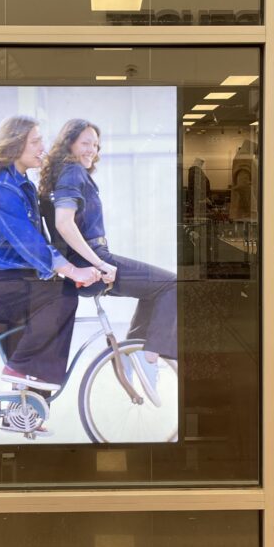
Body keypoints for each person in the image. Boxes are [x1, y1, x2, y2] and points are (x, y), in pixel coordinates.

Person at [39, 118, 177, 404]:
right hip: (94, 261)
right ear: (69, 143)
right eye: (86, 143)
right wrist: (100, 264)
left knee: (155, 290)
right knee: (173, 284)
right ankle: (149, 357)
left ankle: (132, 355)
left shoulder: (63, 173)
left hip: (87, 260)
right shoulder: (73, 171)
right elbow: (64, 223)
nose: (92, 149)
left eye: (96, 145)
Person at [0, 115, 100, 395]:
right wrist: (72, 271)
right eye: (35, 142)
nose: (42, 147)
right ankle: (21, 369)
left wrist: (71, 264)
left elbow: (44, 235)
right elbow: (29, 242)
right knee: (61, 295)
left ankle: (27, 402)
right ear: (15, 144)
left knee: (37, 374)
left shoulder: (23, 183)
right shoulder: (4, 186)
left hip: (8, 276)